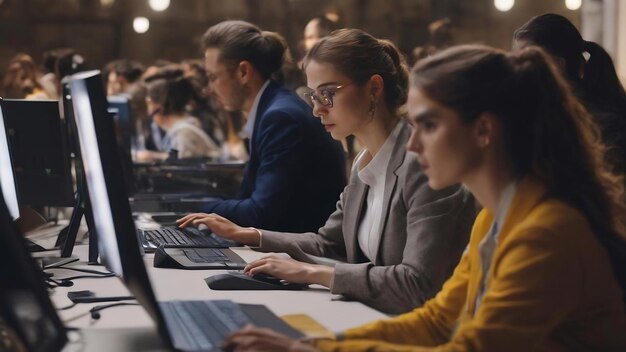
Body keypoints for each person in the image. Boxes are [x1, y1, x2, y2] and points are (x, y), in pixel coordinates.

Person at [219, 44, 626, 351]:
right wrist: (315, 346)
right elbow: (435, 321)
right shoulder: (495, 218)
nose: (412, 144)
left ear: (484, 130)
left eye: (428, 125)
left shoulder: (546, 231)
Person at [178, 28, 474, 314]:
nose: (318, 110)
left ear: (373, 88)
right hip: (372, 314)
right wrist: (250, 234)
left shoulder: (423, 166)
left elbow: (417, 285)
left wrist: (314, 273)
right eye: (314, 96)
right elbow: (329, 243)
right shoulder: (363, 164)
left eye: (328, 94)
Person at [193, 20, 346, 233]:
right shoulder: (273, 106)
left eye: (213, 77)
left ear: (243, 72)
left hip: (305, 254)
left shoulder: (280, 117)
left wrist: (194, 206)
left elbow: (260, 213)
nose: (208, 89)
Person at [514, 13, 626, 175]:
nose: (517, 69)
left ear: (557, 66)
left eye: (526, 61)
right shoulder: (542, 118)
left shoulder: (599, 128)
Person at [137, 71, 220, 161]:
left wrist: (151, 156)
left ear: (158, 106)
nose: (148, 110)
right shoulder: (180, 130)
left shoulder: (184, 133)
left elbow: (182, 164)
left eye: (149, 102)